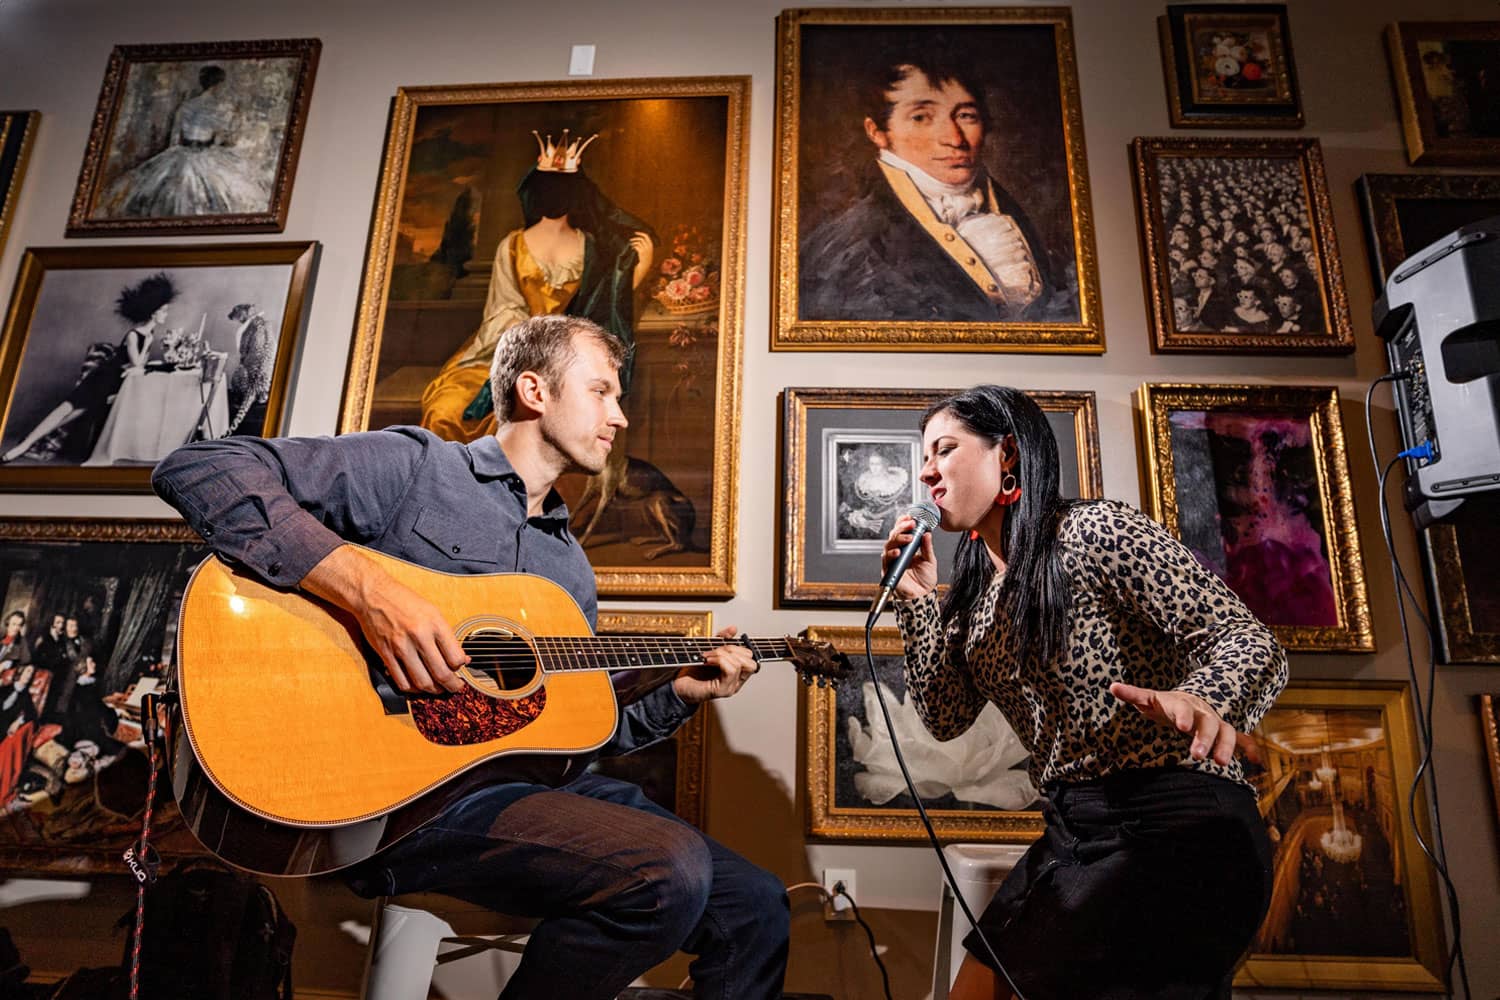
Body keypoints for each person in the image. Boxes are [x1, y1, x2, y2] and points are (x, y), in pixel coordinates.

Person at [152, 313, 788, 1000]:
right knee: (668, 870)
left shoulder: (567, 566)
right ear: (535, 390)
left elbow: (574, 728)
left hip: (528, 789)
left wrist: (679, 694)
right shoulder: (419, 467)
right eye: (602, 392)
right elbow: (201, 467)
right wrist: (371, 595)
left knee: (756, 907)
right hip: (409, 804)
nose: (621, 417)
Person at [880, 385, 1286, 999]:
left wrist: (1203, 697)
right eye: (925, 455)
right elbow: (943, 716)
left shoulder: (1093, 530)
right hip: (1074, 828)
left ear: (1007, 455)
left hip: (1175, 824)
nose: (927, 470)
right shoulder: (973, 597)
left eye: (944, 449)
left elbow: (1247, 638)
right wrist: (917, 605)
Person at [798, 46, 1075, 324]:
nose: (954, 139)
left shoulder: (1024, 221)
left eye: (966, 115)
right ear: (878, 132)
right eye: (921, 117)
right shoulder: (843, 250)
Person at [420, 131, 654, 443]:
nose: (554, 194)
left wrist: (642, 264)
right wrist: (529, 346)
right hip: (503, 352)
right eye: (548, 186)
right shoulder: (513, 245)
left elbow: (603, 306)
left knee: (543, 417)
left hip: (567, 361)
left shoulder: (592, 249)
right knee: (446, 410)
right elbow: (502, 310)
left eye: (563, 188)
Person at [1, 273, 176, 464]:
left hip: (110, 384)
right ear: (154, 312)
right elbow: (136, 365)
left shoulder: (148, 333)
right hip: (102, 379)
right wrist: (147, 346)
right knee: (63, 411)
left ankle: (23, 446)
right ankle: (22, 447)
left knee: (68, 416)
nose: (166, 315)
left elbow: (136, 369)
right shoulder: (134, 335)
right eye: (164, 311)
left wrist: (144, 355)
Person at [96, 64, 270, 219]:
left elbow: (174, 137)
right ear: (218, 85)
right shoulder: (220, 107)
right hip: (204, 153)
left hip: (181, 151)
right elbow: (220, 139)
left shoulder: (186, 105)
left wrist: (173, 155)